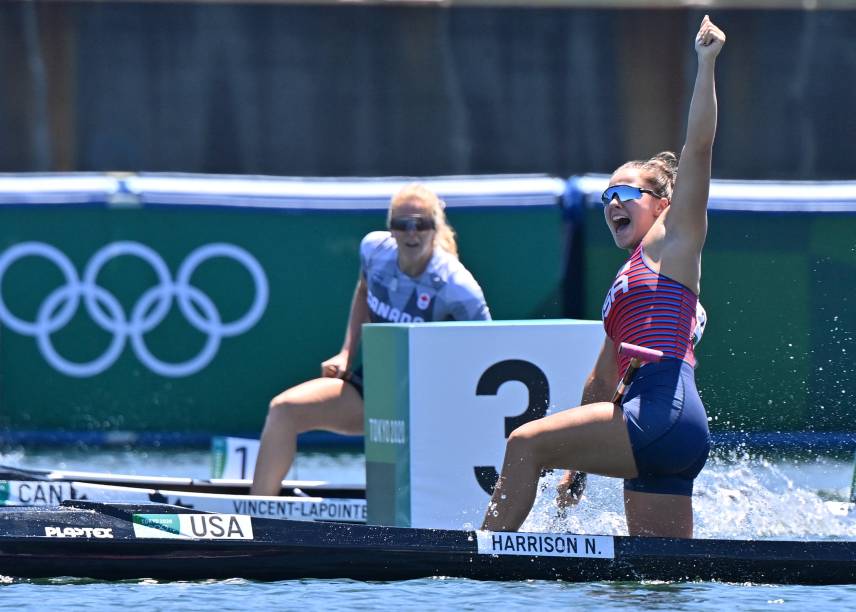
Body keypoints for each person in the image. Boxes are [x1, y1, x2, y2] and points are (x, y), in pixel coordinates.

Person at [481, 15, 725, 538]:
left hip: (661, 412)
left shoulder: (674, 241)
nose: (612, 204)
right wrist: (575, 467)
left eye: (625, 194)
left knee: (524, 443)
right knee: (656, 587)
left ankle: (481, 560)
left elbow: (699, 150)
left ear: (662, 204)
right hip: (668, 432)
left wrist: (705, 64)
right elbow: (601, 382)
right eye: (605, 197)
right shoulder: (626, 287)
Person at [251, 183, 491, 496]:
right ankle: (256, 514)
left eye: (421, 224)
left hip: (431, 404)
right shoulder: (374, 251)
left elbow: (488, 349)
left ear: (436, 228)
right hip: (379, 387)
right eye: (402, 225)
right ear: (390, 228)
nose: (411, 233)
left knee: (401, 487)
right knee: (283, 410)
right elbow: (364, 291)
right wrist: (346, 355)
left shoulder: (457, 286)